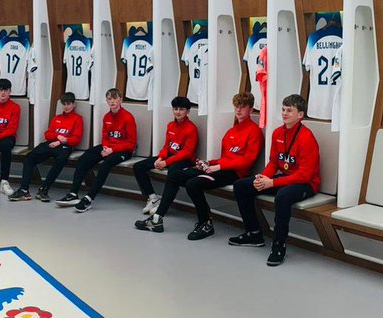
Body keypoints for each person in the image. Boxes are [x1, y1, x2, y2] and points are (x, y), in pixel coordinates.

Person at [135, 92, 262, 238]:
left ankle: (205, 223)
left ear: (251, 110)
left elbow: (247, 161)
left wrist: (218, 167)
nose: (239, 110)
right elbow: (225, 158)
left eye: (243, 107)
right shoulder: (231, 132)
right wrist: (208, 163)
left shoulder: (254, 132)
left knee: (193, 184)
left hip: (235, 174)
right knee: (175, 175)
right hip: (220, 168)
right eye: (236, 106)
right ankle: (157, 218)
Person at [229, 93, 321, 266]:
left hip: (306, 184)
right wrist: (264, 177)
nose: (284, 113)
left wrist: (272, 183)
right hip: (285, 178)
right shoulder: (278, 132)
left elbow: (305, 175)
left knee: (283, 196)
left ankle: (279, 246)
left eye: (289, 110)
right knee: (241, 186)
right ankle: (253, 233)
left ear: (300, 115)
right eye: (283, 109)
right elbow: (274, 162)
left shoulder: (306, 137)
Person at [58, 87, 137, 212]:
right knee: (84, 158)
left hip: (124, 150)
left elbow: (131, 144)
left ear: (120, 100)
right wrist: (106, 147)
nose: (112, 102)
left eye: (115, 98)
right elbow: (105, 136)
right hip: (109, 147)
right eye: (109, 99)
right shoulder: (106, 117)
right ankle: (73, 194)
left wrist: (112, 149)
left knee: (106, 164)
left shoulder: (128, 117)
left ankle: (89, 198)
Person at [9, 92, 84, 201]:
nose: (66, 107)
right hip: (51, 144)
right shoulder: (57, 118)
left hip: (65, 146)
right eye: (64, 104)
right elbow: (48, 134)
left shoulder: (78, 119)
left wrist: (62, 141)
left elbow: (76, 139)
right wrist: (58, 137)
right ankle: (24, 190)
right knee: (29, 158)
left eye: (68, 104)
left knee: (60, 160)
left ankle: (44, 189)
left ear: (73, 104)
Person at [132, 96, 198, 215]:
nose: (178, 112)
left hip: (185, 160)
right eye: (175, 109)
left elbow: (186, 152)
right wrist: (161, 158)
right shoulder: (170, 125)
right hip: (169, 157)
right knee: (138, 166)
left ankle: (163, 206)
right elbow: (167, 146)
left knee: (172, 172)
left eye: (181, 109)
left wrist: (166, 163)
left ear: (188, 111)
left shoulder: (191, 128)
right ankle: (153, 198)